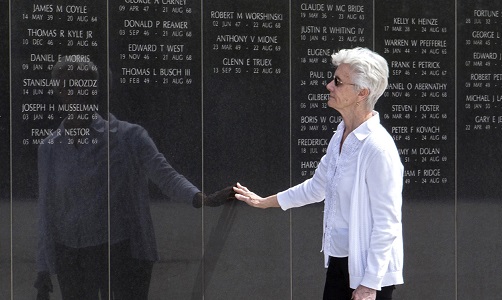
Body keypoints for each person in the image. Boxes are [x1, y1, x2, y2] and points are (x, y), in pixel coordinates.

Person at [34, 56, 234, 299]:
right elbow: (47, 211)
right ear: (59, 91)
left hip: (122, 252)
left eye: (83, 83)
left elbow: (165, 175)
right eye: (68, 85)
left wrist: (203, 198)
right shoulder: (50, 147)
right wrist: (43, 270)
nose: (76, 92)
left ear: (94, 89)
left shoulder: (129, 137)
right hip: (73, 259)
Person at [234, 47, 404, 300]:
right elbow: (317, 187)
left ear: (362, 93)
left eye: (338, 81)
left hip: (368, 275)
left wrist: (369, 285)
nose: (329, 86)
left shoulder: (378, 148)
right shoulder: (340, 135)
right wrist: (264, 202)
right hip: (340, 263)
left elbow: (387, 223)